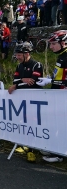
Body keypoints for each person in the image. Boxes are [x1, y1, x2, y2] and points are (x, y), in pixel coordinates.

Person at [7, 42, 43, 162]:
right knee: (23, 122)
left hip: (34, 100)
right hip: (22, 100)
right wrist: (21, 80)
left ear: (27, 53)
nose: (17, 57)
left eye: (19, 54)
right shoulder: (19, 66)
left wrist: (17, 84)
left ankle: (32, 151)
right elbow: (15, 80)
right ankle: (25, 145)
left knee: (33, 125)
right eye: (16, 55)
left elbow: (33, 82)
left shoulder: (37, 65)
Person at [35, 30, 67, 162]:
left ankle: (60, 155)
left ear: (63, 43)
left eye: (53, 44)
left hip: (63, 96)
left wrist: (51, 81)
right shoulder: (62, 56)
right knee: (57, 124)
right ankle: (56, 148)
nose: (51, 46)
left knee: (62, 125)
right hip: (58, 95)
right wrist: (50, 79)